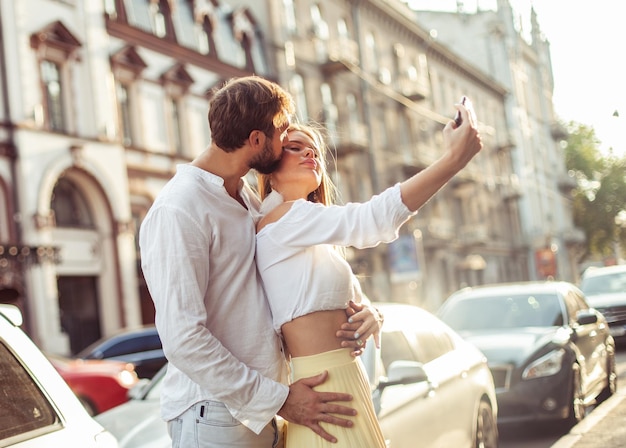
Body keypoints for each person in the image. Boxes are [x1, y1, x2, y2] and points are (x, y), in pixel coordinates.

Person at [139, 76, 381, 448]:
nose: (286, 141)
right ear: (255, 140)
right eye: (281, 131)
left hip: (269, 408)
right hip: (216, 414)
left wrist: (367, 311)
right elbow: (183, 338)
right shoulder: (179, 208)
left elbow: (305, 278)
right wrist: (280, 399)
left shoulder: (250, 201)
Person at [255, 99, 483, 447]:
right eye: (294, 148)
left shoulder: (311, 232)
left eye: (313, 149)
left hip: (349, 383)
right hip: (324, 393)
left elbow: (353, 302)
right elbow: (372, 220)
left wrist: (373, 315)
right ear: (270, 168)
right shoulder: (283, 219)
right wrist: (452, 161)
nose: (309, 154)